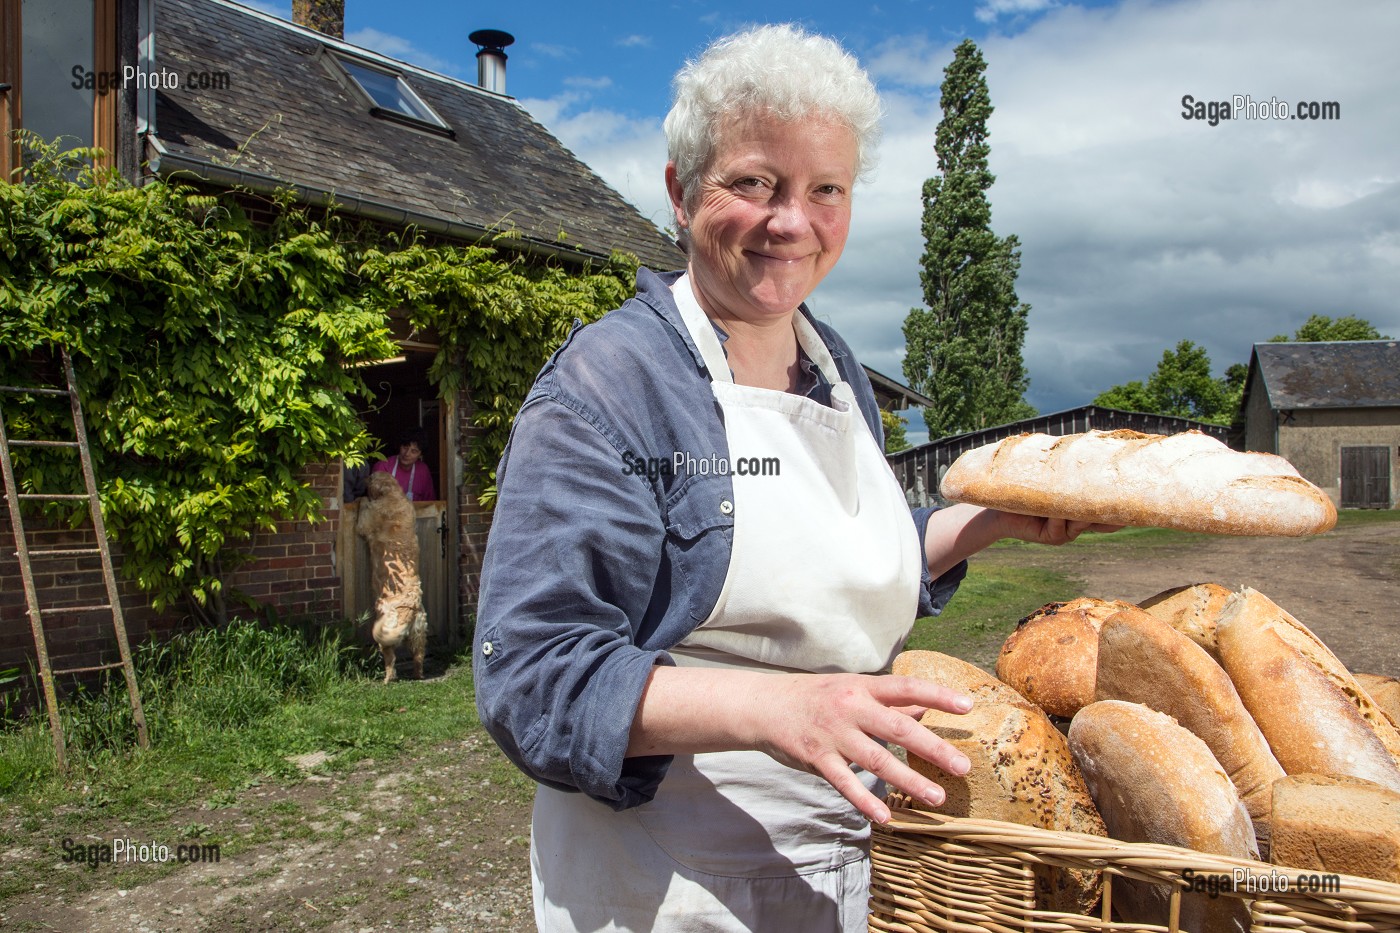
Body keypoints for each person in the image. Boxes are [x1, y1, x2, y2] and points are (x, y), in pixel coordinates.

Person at [473, 25, 1114, 931]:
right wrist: (783, 706)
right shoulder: (607, 386)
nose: (792, 222)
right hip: (671, 883)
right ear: (679, 192)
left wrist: (988, 519)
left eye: (826, 191)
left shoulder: (837, 368)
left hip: (856, 868)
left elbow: (843, 560)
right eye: (754, 183)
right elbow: (533, 672)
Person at [371, 429, 435, 502]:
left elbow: (430, 502)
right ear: (399, 446)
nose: (407, 454)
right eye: (405, 447)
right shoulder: (382, 466)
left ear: (420, 455)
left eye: (413, 451)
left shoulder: (423, 470)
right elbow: (374, 500)